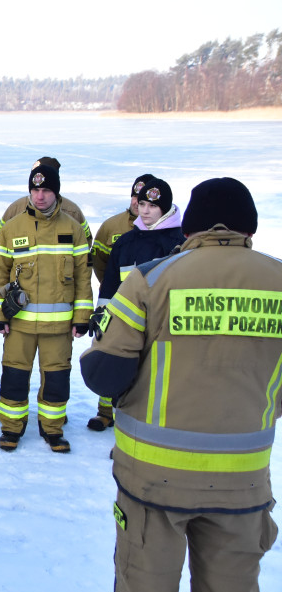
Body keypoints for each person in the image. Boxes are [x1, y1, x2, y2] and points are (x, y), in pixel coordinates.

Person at [80, 177, 279, 592]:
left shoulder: (151, 279)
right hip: (243, 482)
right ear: (251, 229)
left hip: (154, 480)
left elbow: (105, 374)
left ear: (189, 228)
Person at [0, 164, 92, 452]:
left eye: (46, 190)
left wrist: (82, 318)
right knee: (14, 377)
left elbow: (84, 277)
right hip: (19, 324)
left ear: (56, 192)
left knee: (57, 378)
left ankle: (53, 430)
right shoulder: (11, 228)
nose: (40, 196)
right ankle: (11, 428)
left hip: (58, 327)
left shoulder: (72, 229)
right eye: (35, 190)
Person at [87, 177, 184, 431]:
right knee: (122, 372)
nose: (145, 211)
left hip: (166, 326)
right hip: (129, 323)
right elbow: (109, 285)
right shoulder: (126, 243)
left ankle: (155, 430)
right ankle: (121, 429)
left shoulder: (180, 243)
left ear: (165, 208)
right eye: (141, 204)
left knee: (156, 380)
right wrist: (101, 314)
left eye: (152, 206)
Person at [0, 156, 92, 247]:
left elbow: (85, 243)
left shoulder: (72, 211)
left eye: (46, 189)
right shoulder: (15, 208)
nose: (40, 196)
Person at [91, 174, 156, 286]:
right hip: (117, 297)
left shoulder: (163, 228)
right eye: (135, 196)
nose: (137, 202)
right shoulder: (110, 226)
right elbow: (98, 261)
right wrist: (107, 284)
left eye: (143, 198)